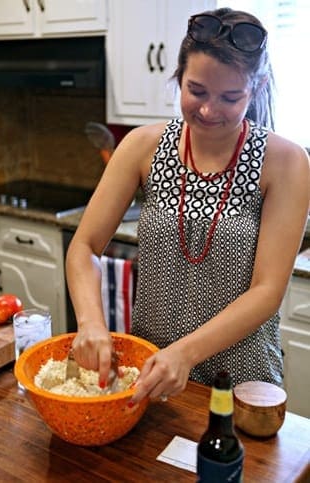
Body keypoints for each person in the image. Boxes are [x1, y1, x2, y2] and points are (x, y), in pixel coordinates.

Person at [65, 7, 310, 406]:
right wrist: (91, 322)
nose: (210, 110)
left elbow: (268, 291)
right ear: (179, 77)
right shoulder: (142, 147)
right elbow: (84, 247)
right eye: (196, 91)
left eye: (230, 97)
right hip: (152, 373)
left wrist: (186, 353)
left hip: (241, 383)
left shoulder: (286, 162)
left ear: (257, 86)